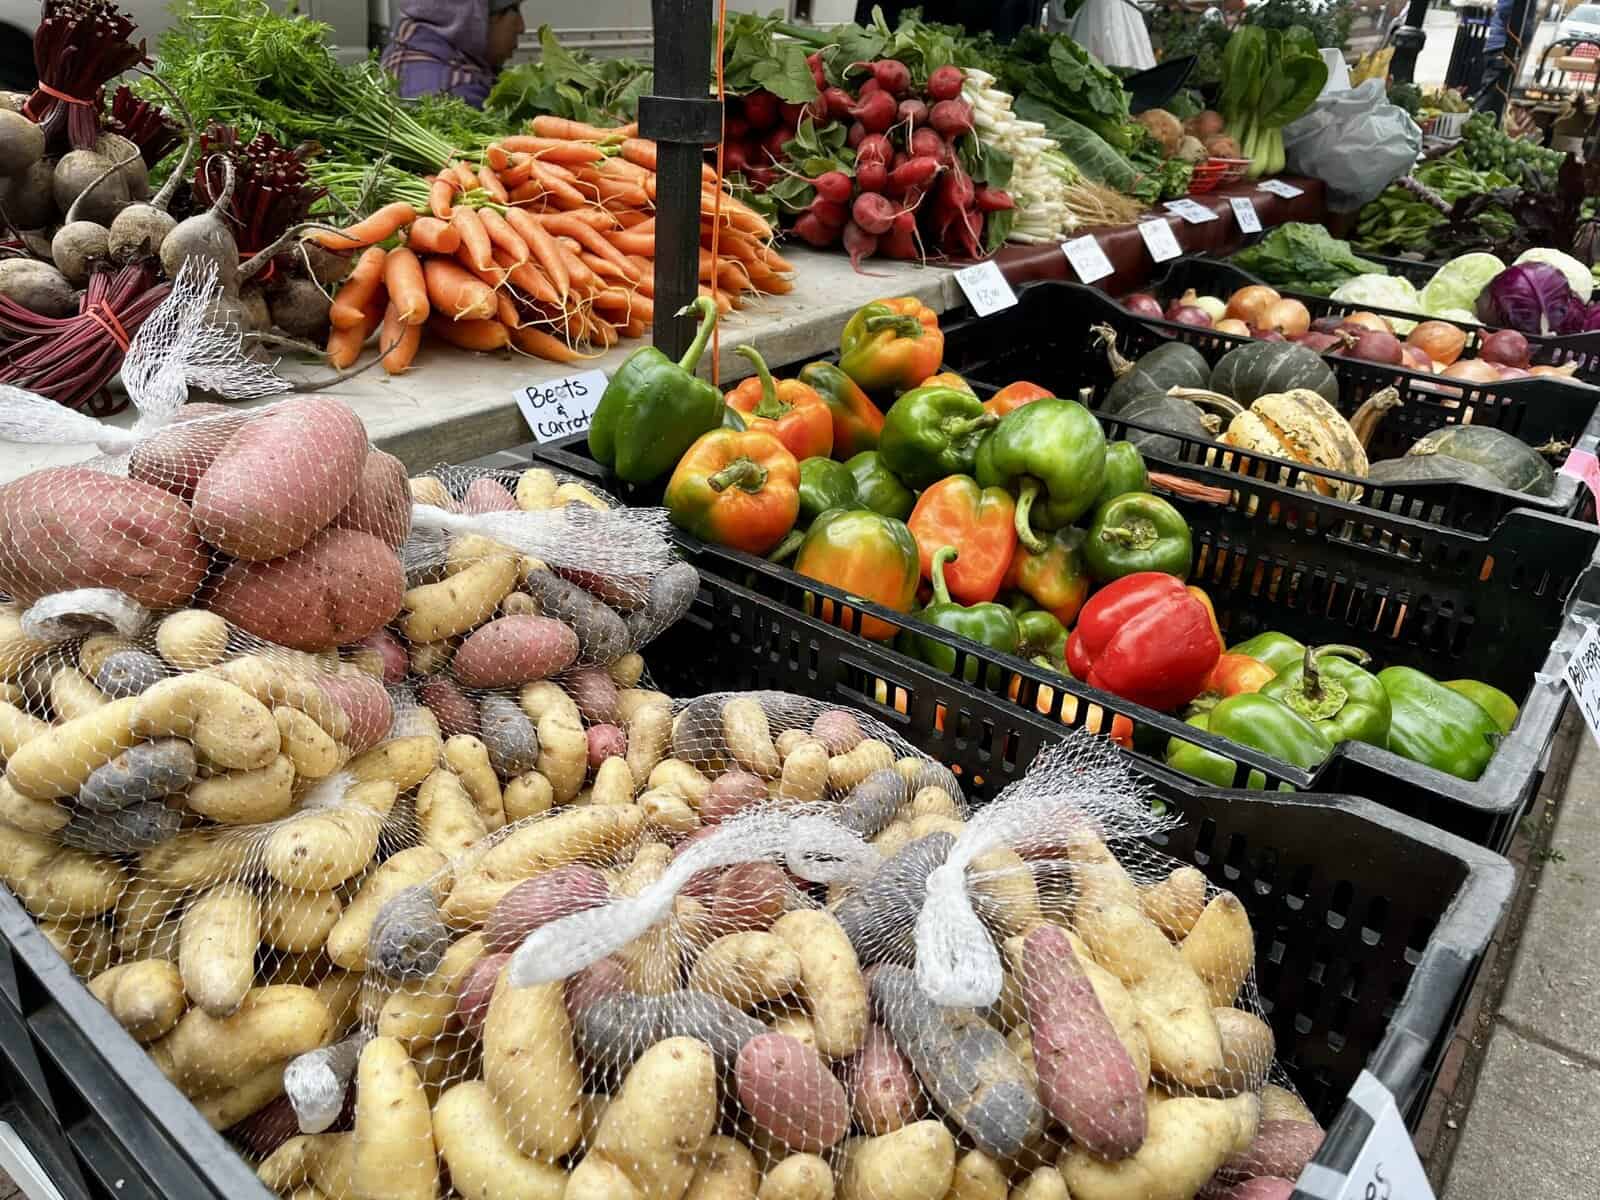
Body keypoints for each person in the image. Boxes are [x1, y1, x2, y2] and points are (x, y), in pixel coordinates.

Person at [383, 0, 526, 109]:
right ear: (474, 16)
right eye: (514, 9)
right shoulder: (459, 94)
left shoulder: (400, 51)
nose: (522, 27)